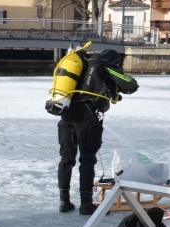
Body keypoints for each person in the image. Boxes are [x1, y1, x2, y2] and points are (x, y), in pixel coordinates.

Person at [57, 49, 138, 215]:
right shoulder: (104, 65)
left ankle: (64, 201)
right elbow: (131, 86)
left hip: (66, 114)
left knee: (66, 158)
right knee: (87, 160)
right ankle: (86, 204)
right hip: (87, 114)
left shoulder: (81, 63)